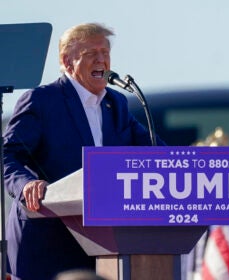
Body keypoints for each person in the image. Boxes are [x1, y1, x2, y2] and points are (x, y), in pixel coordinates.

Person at [4, 22, 165, 280]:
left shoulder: (116, 103)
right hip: (47, 242)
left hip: (103, 244)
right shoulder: (42, 101)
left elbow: (157, 152)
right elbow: (8, 154)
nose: (102, 60)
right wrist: (25, 185)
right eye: (92, 54)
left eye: (105, 53)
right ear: (68, 62)